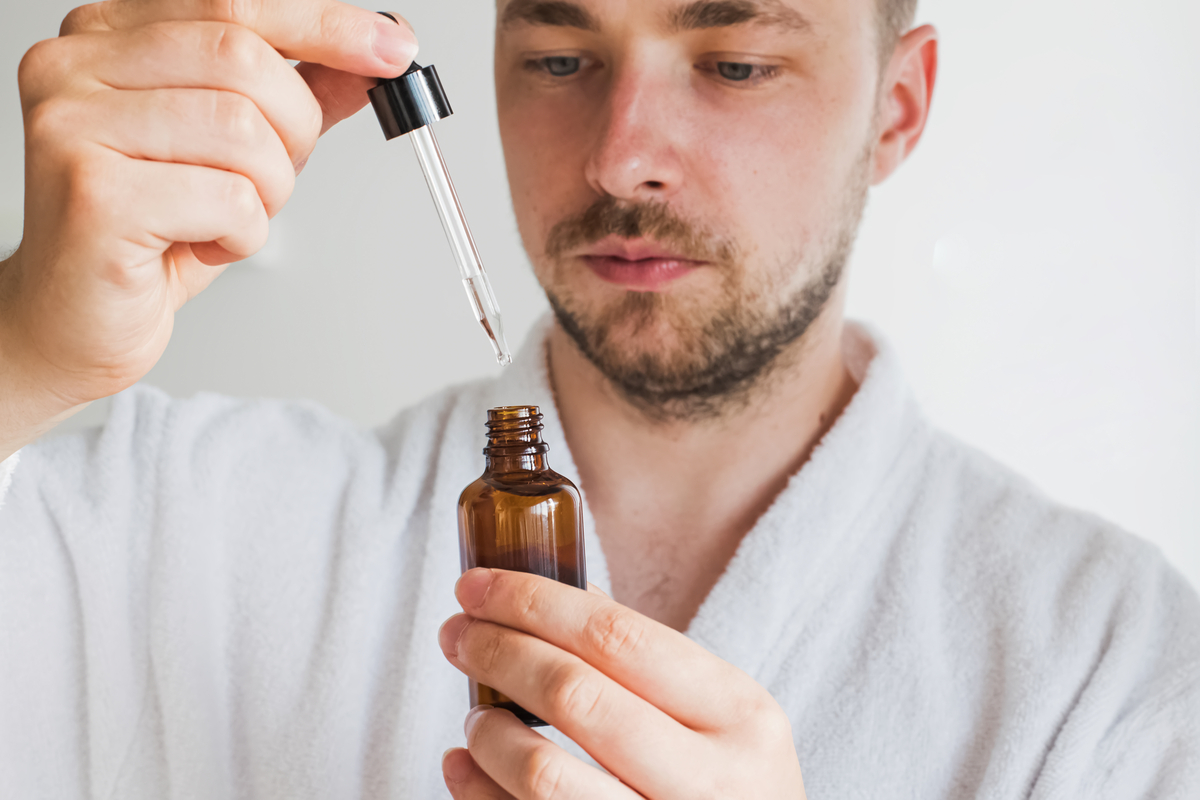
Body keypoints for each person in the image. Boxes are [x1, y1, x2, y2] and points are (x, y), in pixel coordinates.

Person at [0, 0, 1196, 797]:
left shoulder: (1112, 667)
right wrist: (22, 351)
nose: (622, 156)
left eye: (734, 64)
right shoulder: (175, 526)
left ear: (896, 108)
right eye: (560, 61)